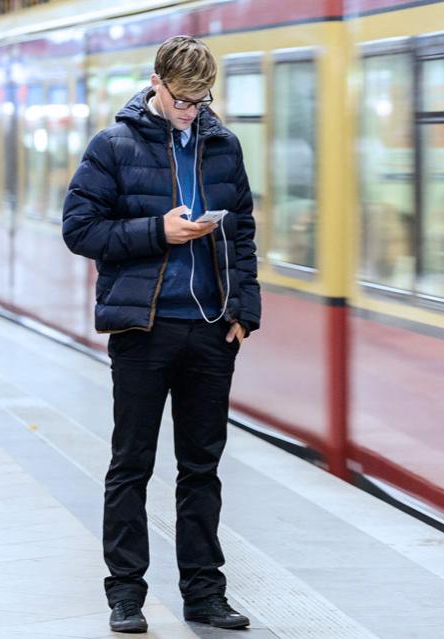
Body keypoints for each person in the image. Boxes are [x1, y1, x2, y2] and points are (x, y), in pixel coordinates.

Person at [61, 35, 260, 635]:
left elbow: (244, 231)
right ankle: (126, 595)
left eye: (201, 100)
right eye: (182, 99)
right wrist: (157, 232)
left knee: (202, 467)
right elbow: (79, 229)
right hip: (142, 331)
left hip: (208, 330)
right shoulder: (113, 146)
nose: (192, 110)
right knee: (132, 464)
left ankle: (205, 593)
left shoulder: (223, 146)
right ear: (156, 83)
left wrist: (243, 310)